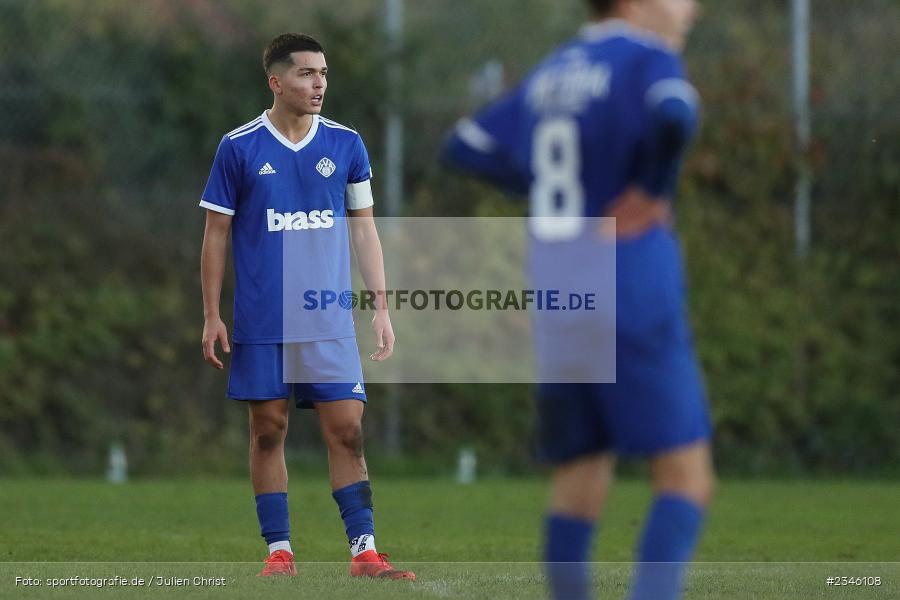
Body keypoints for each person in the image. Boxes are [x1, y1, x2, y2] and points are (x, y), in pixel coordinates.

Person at [444, 1, 713, 598]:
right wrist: (652, 189)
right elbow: (676, 114)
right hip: (626, 271)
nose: (692, 7)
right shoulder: (648, 58)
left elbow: (464, 145)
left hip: (560, 281)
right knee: (685, 478)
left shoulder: (552, 70)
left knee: (581, 470)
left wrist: (543, 189)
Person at [199, 33, 414, 581]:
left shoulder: (346, 144)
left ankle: (364, 552)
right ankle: (279, 553)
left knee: (347, 430)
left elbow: (365, 233)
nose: (318, 83)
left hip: (328, 319)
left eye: (323, 73)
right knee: (268, 431)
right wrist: (211, 314)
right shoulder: (239, 147)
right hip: (264, 318)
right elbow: (216, 234)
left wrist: (381, 308)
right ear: (276, 81)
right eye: (305, 74)